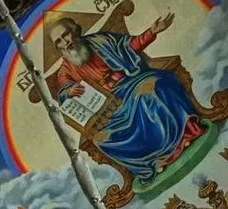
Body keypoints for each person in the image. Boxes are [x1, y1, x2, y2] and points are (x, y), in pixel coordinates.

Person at [48, 12, 206, 186]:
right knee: (102, 139)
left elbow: (129, 45)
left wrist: (151, 32)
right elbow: (63, 89)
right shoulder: (65, 69)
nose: (65, 42)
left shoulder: (100, 40)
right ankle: (153, 163)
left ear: (74, 30)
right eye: (59, 42)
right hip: (108, 107)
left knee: (152, 91)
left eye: (65, 35)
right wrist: (69, 92)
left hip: (130, 83)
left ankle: (182, 138)